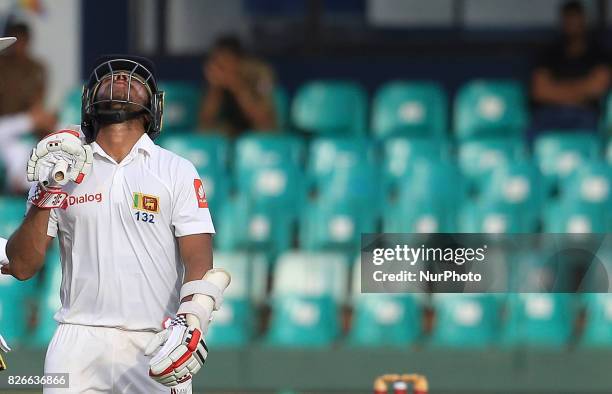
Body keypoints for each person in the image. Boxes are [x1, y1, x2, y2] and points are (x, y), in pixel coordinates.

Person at [4, 55, 229, 393]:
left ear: (153, 103)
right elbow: (22, 265)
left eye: (131, 79)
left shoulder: (176, 170)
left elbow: (198, 258)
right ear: (88, 100)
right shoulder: (57, 167)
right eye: (109, 78)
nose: (120, 80)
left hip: (154, 340)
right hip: (75, 340)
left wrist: (191, 319)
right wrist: (47, 193)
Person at [530, 0, 610, 136]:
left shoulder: (598, 54)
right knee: (534, 130)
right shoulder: (549, 54)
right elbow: (540, 91)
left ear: (584, 20)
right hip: (551, 114)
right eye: (568, 19)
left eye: (576, 19)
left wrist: (557, 90)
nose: (572, 24)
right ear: (562, 21)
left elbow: (598, 88)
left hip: (587, 114)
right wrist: (581, 90)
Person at [0, 21, 56, 193]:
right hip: (3, 125)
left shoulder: (37, 68)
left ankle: (30, 187)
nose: (18, 47)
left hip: (24, 128)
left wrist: (42, 123)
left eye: (22, 41)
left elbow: (37, 105)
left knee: (22, 151)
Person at [199, 35, 277, 136]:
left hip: (259, 132)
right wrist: (215, 89)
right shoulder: (215, 75)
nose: (222, 67)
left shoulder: (261, 72)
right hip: (229, 132)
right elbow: (205, 124)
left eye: (226, 61)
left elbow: (264, 122)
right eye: (218, 62)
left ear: (238, 61)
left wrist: (237, 85)